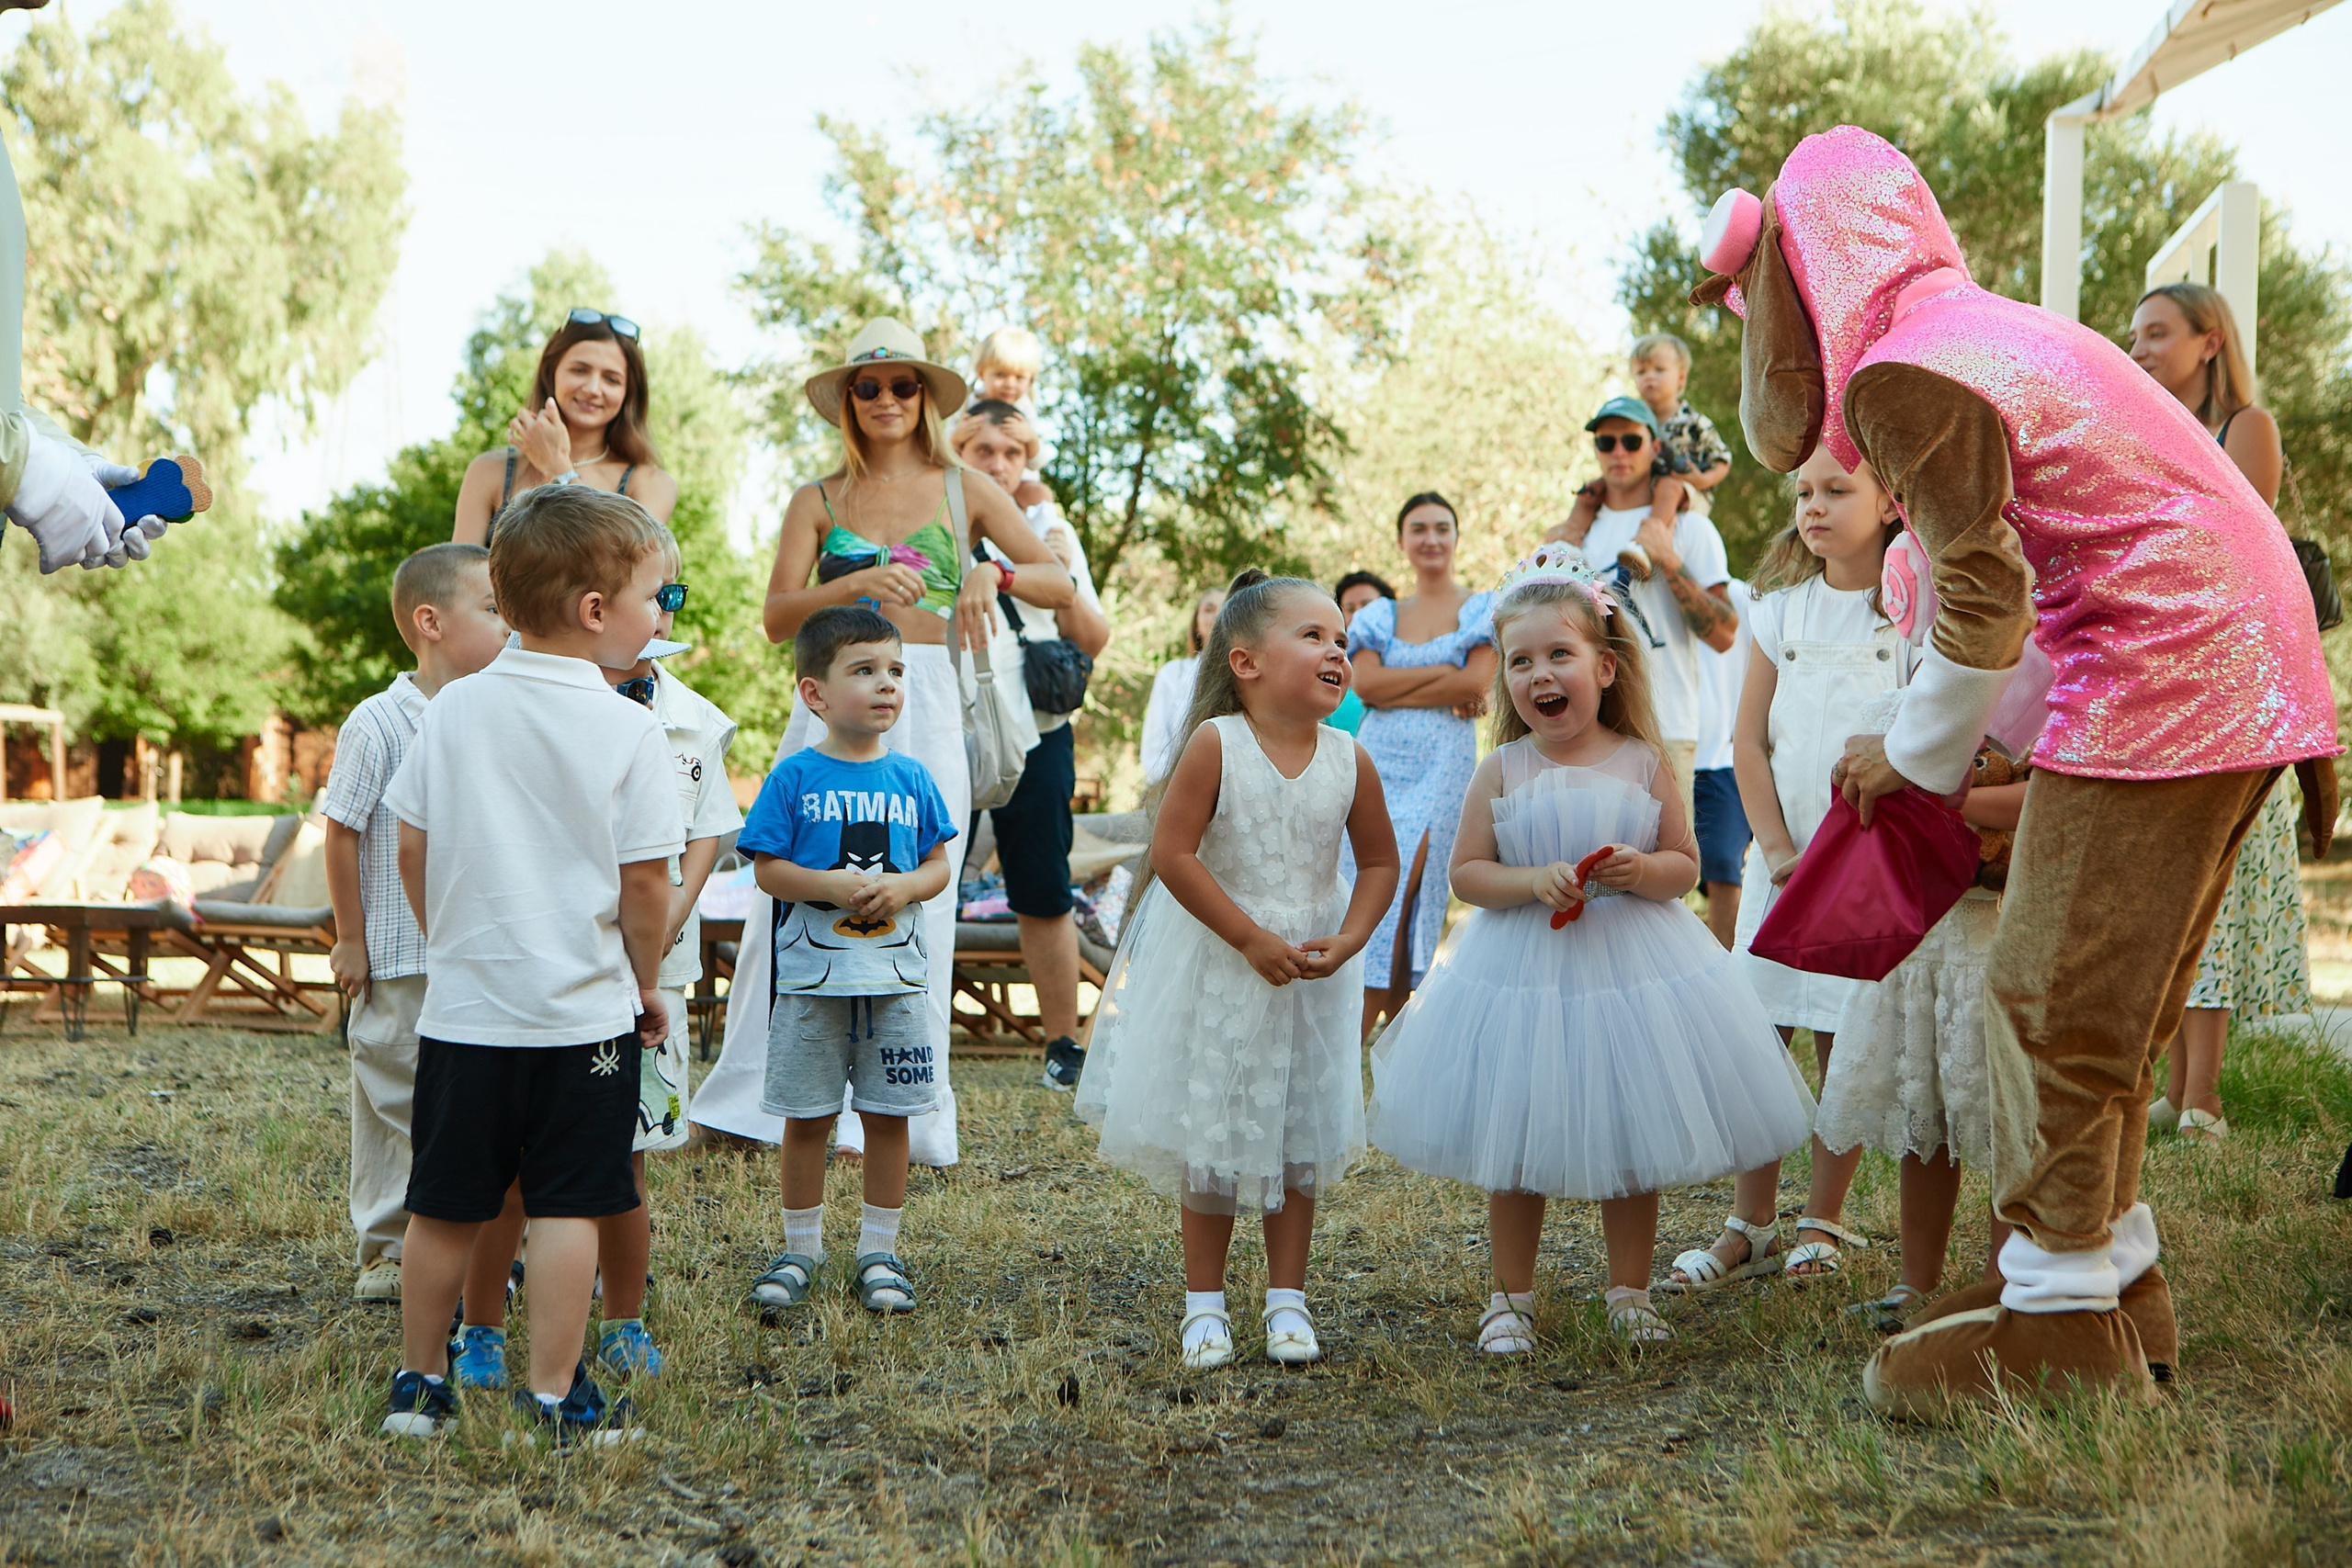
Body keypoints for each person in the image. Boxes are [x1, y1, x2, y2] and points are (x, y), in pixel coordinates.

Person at [1692, 127, 2335, 1411]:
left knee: (2048, 997)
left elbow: (1982, 595)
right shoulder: (1985, 327)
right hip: (2237, 654)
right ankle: (2110, 1283)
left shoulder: (1905, 370)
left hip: (2165, 662)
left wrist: (1910, 759)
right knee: (2111, 1010)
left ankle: (2054, 1323)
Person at [1369, 545, 1813, 1350]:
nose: (1540, 674)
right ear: (1505, 678)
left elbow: (1684, 864)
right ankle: (1511, 1298)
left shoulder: (1643, 761)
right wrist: (1530, 879)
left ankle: (1629, 1290)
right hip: (1521, 970)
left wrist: (1643, 869)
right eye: (1520, 661)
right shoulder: (1501, 769)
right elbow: (1468, 873)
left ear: (1606, 667)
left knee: (1630, 1133)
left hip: (1633, 966)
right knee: (1515, 1139)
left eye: (1559, 655)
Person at [685, 318, 1069, 1168]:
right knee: (785, 901)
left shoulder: (967, 488)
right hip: (825, 707)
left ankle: (895, 1115)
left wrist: (991, 570)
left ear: (925, 396)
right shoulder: (817, 499)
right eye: (869, 386)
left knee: (918, 894)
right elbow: (776, 616)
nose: (886, 399)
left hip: (927, 700)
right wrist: (854, 581)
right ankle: (749, 1104)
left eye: (902, 385)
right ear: (849, 401)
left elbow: (1061, 583)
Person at [379, 484, 683, 1448]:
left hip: (464, 1012)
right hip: (582, 1017)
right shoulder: (631, 728)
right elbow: (646, 883)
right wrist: (643, 978)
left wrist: (449, 940)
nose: (660, 614)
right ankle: (552, 1397)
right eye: (654, 597)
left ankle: (419, 1388)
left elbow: (411, 844)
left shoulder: (453, 710)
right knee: (570, 1205)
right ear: (596, 611)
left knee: (441, 1204)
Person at [1076, 570, 1399, 1369]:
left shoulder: (1350, 757)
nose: (1337, 650)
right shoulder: (1216, 743)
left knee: (1297, 1130)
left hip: (1311, 973)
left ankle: (1288, 1300)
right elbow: (1173, 852)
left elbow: (1380, 862)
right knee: (1215, 1129)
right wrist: (1248, 935)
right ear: (1246, 661)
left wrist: (1352, 936)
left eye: (1341, 639)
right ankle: (1205, 1306)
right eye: (1313, 635)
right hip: (1223, 958)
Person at [1702, 446, 1911, 1289]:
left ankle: (1822, 1218)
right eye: (1803, 493)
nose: (1814, 506)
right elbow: (1748, 741)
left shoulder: (1908, 618)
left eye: (1837, 490)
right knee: (1761, 1033)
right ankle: (1749, 1220)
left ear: (1890, 503)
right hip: (1781, 861)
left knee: (1839, 1035)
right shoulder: (1778, 611)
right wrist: (1777, 848)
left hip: (1860, 865)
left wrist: (1842, 854)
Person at [742, 606, 957, 1316]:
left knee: (888, 1117)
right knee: (806, 1118)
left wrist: (907, 886)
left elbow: (938, 866)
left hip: (895, 983)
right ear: (816, 693)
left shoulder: (914, 778)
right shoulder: (793, 777)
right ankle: (800, 1249)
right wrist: (828, 885)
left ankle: (879, 1252)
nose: (886, 683)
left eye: (895, 670)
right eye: (864, 670)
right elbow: (767, 869)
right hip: (812, 983)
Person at [2130, 282, 2305, 1144]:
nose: (2138, 349)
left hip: (2229, 682)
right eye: (2133, 335)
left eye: (2157, 333)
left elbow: (2233, 546)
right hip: (2166, 676)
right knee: (2175, 877)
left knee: (2220, 875)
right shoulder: (2144, 429)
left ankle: (2205, 1097)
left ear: (2209, 341)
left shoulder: (2247, 428)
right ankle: (2174, 1087)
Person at [321, 543, 508, 1303]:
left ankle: (485, 1244)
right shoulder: (378, 722)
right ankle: (390, 1248)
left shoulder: (496, 715)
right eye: (493, 608)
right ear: (431, 622)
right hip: (400, 955)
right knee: (395, 1098)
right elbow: (341, 830)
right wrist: (350, 936)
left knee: (467, 1105)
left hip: (476, 953)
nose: (509, 624)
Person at [1815, 694, 2029, 1335]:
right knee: (1925, 1111)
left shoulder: (2047, 697)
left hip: (2001, 933)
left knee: (2006, 1119)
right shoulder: (1919, 698)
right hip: (1924, 936)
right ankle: (1916, 1279)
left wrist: (1938, 798)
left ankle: (2004, 1283)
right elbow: (1869, 792)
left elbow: (2044, 800)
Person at [592, 530, 741, 1377]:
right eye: (651, 596)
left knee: (633, 1143)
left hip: (656, 972)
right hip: (563, 959)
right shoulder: (553, 701)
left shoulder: (694, 720)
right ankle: (513, 1277)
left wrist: (661, 925)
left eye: (671, 597)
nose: (662, 615)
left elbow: (706, 831)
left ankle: (622, 1306)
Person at [952, 400, 1112, 1091]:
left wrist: (1059, 574)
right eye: (984, 451)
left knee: (1043, 886)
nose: (998, 465)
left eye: (1012, 453)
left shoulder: (1049, 530)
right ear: (958, 453)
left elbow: (1094, 638)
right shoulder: (935, 519)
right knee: (928, 872)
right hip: (951, 725)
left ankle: (1061, 1046)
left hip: (1037, 731)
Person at [1543, 398, 1738, 830]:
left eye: (1631, 441)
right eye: (1606, 442)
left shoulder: (1690, 527)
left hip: (1666, 728)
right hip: (1583, 732)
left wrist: (1667, 558)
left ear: (1655, 447)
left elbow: (1725, 633)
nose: (1618, 452)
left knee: (1667, 866)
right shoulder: (1574, 535)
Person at [1346, 493, 1497, 1037]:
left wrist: (1398, 687)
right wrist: (1443, 677)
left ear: (1456, 536)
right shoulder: (1379, 614)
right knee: (1365, 876)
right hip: (1379, 759)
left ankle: (1398, 1020)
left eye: (1441, 527)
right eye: (1418, 529)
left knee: (1416, 883)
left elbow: (1476, 682)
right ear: (1401, 540)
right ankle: (1357, 1017)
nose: (1431, 538)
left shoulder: (1483, 607)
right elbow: (1365, 685)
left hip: (1444, 761)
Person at [451, 309, 679, 543]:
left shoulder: (652, 484)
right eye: (579, 370)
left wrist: (559, 470)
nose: (593, 389)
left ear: (628, 393)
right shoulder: (489, 470)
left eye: (612, 379)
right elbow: (461, 566)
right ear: (551, 374)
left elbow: (619, 560)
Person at [1691, 573, 1752, 948]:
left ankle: (1727, 965)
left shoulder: (1742, 597)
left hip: (1723, 758)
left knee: (1725, 863)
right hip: (1662, 750)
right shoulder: (1645, 589)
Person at [1631, 333, 1735, 513]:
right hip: (1646, 497)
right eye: (1641, 372)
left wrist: (1704, 480)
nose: (1649, 376)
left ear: (1680, 378)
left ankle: (1655, 526)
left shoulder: (1694, 422)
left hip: (1689, 495)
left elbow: (1722, 459)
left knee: (1669, 487)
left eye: (1659, 370)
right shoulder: (1634, 422)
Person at [1140, 588, 1227, 782]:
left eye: (1225, 607)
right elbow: (1154, 753)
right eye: (1209, 609)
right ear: (1196, 624)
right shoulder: (1172, 675)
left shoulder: (1249, 677)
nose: (1217, 615)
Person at [1329, 570, 1395, 736]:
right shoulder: (1329, 668)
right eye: (1350, 609)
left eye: (1367, 605)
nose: (1359, 615)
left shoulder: (1411, 659)